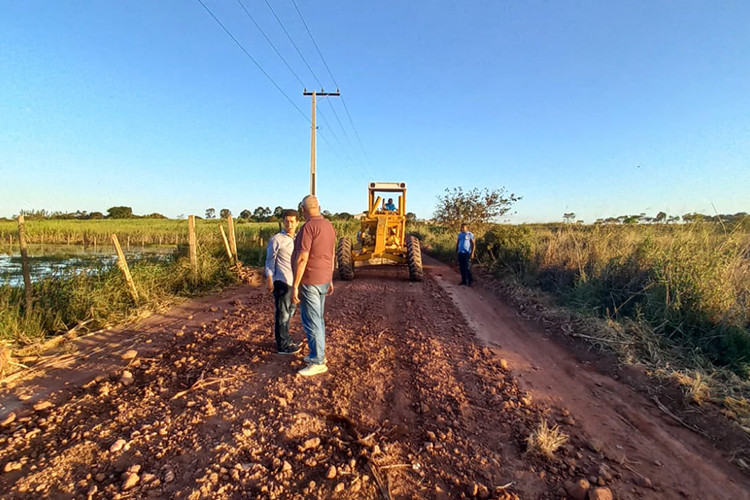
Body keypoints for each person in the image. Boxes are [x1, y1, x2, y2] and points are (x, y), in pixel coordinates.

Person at [292, 195, 337, 376]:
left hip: (310, 280)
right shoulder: (329, 226)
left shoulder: (308, 227)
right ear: (319, 207)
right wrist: (331, 278)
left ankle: (318, 361)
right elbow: (331, 255)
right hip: (324, 279)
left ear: (303, 210)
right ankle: (317, 354)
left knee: (311, 320)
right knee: (317, 318)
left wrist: (295, 285)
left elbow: (302, 258)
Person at [265, 209, 301, 354]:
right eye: (286, 221)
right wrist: (269, 280)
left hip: (295, 282)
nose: (289, 224)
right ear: (283, 222)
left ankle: (286, 338)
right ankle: (282, 345)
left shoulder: (299, 239)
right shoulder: (276, 240)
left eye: (292, 221)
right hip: (282, 281)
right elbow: (269, 261)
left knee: (291, 311)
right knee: (283, 313)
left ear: (297, 222)